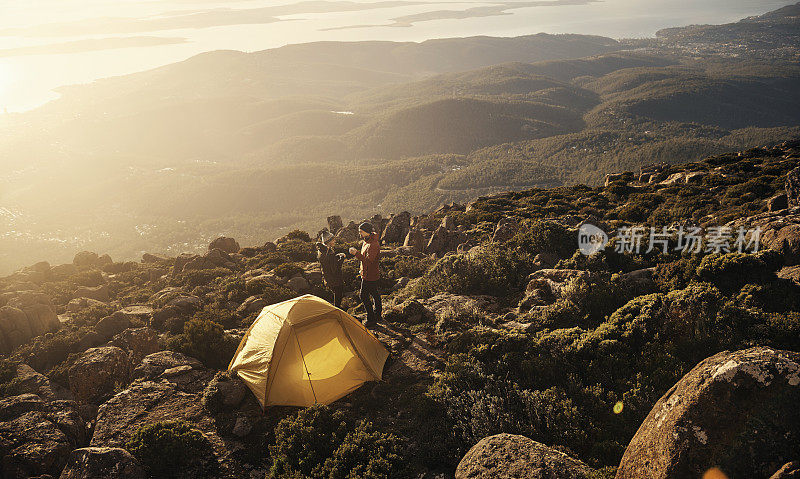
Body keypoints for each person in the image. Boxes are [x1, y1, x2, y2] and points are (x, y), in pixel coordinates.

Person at [349, 222, 381, 326]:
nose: (360, 233)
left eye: (361, 232)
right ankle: (378, 315)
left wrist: (356, 253)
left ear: (367, 232)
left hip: (370, 275)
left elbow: (368, 261)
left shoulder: (373, 244)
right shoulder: (367, 241)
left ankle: (372, 319)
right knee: (375, 293)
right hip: (367, 273)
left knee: (363, 295)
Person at [316, 231, 345, 308]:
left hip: (328, 278)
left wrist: (336, 257)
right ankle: (337, 314)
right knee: (338, 298)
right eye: (333, 240)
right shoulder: (329, 253)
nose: (334, 241)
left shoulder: (321, 250)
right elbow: (335, 269)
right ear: (328, 241)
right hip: (335, 279)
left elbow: (329, 263)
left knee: (335, 296)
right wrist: (342, 258)